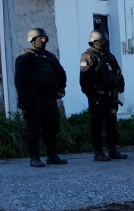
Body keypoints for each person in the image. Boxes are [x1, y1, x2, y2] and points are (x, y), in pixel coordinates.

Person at [14, 28, 68, 168]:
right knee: (34, 129)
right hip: (34, 99)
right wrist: (23, 104)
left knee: (52, 127)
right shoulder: (24, 58)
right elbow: (20, 82)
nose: (43, 40)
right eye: (40, 38)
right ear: (33, 39)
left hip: (50, 98)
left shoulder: (50, 57)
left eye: (45, 38)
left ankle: (52, 155)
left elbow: (61, 73)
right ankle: (34, 157)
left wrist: (60, 89)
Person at [80, 30, 127, 161]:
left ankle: (113, 150)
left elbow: (118, 73)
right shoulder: (88, 56)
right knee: (97, 125)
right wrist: (91, 97)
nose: (105, 43)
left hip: (111, 96)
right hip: (97, 96)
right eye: (102, 41)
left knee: (111, 124)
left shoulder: (109, 56)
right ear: (95, 41)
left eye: (106, 41)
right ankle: (98, 152)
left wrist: (120, 88)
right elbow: (84, 79)